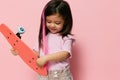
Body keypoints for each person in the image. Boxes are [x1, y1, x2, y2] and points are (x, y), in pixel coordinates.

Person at [11, 0, 75, 80]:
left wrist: (46, 58)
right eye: (48, 21)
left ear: (66, 21)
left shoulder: (66, 37)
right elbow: (35, 53)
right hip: (43, 73)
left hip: (61, 74)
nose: (52, 25)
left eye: (57, 23)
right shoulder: (43, 36)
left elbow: (65, 54)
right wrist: (20, 51)